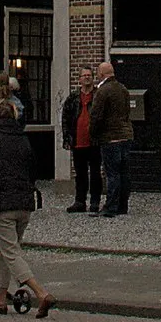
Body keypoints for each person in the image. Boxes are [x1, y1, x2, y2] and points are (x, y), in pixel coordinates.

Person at [0, 99, 55, 318]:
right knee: (4, 249)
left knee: (11, 252)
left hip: (2, 203)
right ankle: (0, 299)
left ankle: (41, 293)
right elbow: (33, 168)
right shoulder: (23, 138)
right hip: (24, 202)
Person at [88, 61, 133, 217]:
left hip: (110, 137)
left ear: (101, 74)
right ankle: (123, 205)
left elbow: (96, 116)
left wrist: (92, 133)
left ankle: (110, 207)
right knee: (124, 173)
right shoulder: (123, 89)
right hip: (126, 136)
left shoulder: (102, 91)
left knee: (112, 173)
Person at [59, 66, 102, 214]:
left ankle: (95, 202)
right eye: (84, 75)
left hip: (95, 141)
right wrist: (67, 136)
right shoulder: (73, 97)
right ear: (80, 79)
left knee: (96, 173)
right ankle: (80, 201)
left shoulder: (98, 96)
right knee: (80, 173)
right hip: (78, 141)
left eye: (89, 75)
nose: (87, 78)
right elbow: (65, 117)